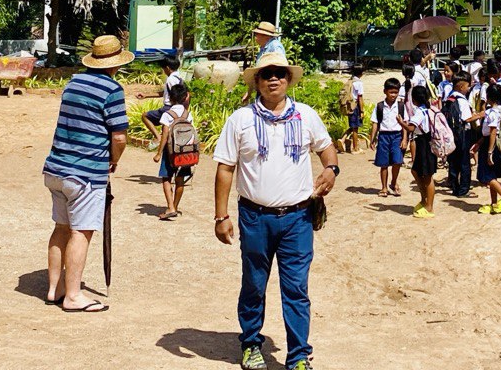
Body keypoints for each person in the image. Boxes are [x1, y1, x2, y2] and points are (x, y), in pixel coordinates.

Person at [213, 51, 338, 370]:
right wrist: (221, 216)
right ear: (256, 80)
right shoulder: (240, 120)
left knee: (296, 288)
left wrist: (331, 169)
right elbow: (226, 168)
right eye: (267, 72)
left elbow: (326, 149)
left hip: (298, 218)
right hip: (255, 217)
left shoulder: (306, 116)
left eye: (280, 73)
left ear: (288, 79)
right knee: (254, 282)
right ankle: (251, 343)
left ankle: (298, 356)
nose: (274, 78)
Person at [41, 34, 132, 312]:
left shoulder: (73, 83)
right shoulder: (112, 90)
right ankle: (73, 295)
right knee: (82, 231)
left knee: (61, 227)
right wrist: (112, 162)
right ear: (116, 63)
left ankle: (53, 289)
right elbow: (119, 138)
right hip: (84, 173)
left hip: (56, 168)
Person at [474, 83, 501, 214]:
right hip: (488, 143)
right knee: (491, 175)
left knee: (486, 176)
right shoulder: (495, 111)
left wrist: (489, 152)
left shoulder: (493, 113)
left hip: (490, 145)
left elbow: (492, 132)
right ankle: (494, 203)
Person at [153, 81, 193, 220]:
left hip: (170, 152)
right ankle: (175, 206)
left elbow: (164, 135)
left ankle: (170, 207)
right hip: (185, 152)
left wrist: (159, 153)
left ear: (170, 98)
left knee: (166, 178)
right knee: (180, 180)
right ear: (186, 97)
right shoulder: (188, 114)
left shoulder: (167, 114)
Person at [405, 85, 438, 219]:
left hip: (424, 143)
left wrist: (401, 123)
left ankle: (429, 206)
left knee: (427, 176)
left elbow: (411, 127)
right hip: (425, 142)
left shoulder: (420, 112)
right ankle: (424, 199)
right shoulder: (428, 109)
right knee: (417, 171)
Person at [370, 78, 407, 197]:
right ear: (385, 91)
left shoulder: (401, 106)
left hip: (397, 136)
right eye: (391, 92)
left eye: (395, 92)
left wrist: (404, 139)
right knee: (383, 163)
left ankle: (394, 182)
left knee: (397, 161)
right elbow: (375, 123)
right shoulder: (380, 107)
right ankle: (384, 187)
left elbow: (405, 124)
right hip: (384, 136)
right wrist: (372, 138)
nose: (393, 95)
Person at [138, 55, 185, 143]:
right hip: (177, 108)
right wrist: (146, 95)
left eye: (163, 69)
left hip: (168, 108)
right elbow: (166, 93)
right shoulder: (179, 77)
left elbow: (174, 94)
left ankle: (157, 137)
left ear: (167, 68)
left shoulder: (171, 79)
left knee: (145, 116)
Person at [443, 72, 475, 197]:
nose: (469, 88)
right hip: (462, 134)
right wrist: (480, 114)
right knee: (465, 163)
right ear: (462, 87)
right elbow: (467, 119)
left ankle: (455, 187)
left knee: (453, 162)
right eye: (468, 85)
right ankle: (464, 190)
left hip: (452, 135)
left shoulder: (450, 98)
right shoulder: (462, 100)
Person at [343, 66, 365, 153]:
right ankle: (355, 148)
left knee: (352, 126)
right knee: (355, 128)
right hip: (355, 106)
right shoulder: (359, 83)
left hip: (349, 105)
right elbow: (360, 98)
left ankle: (343, 139)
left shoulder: (350, 81)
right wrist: (362, 110)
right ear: (361, 73)